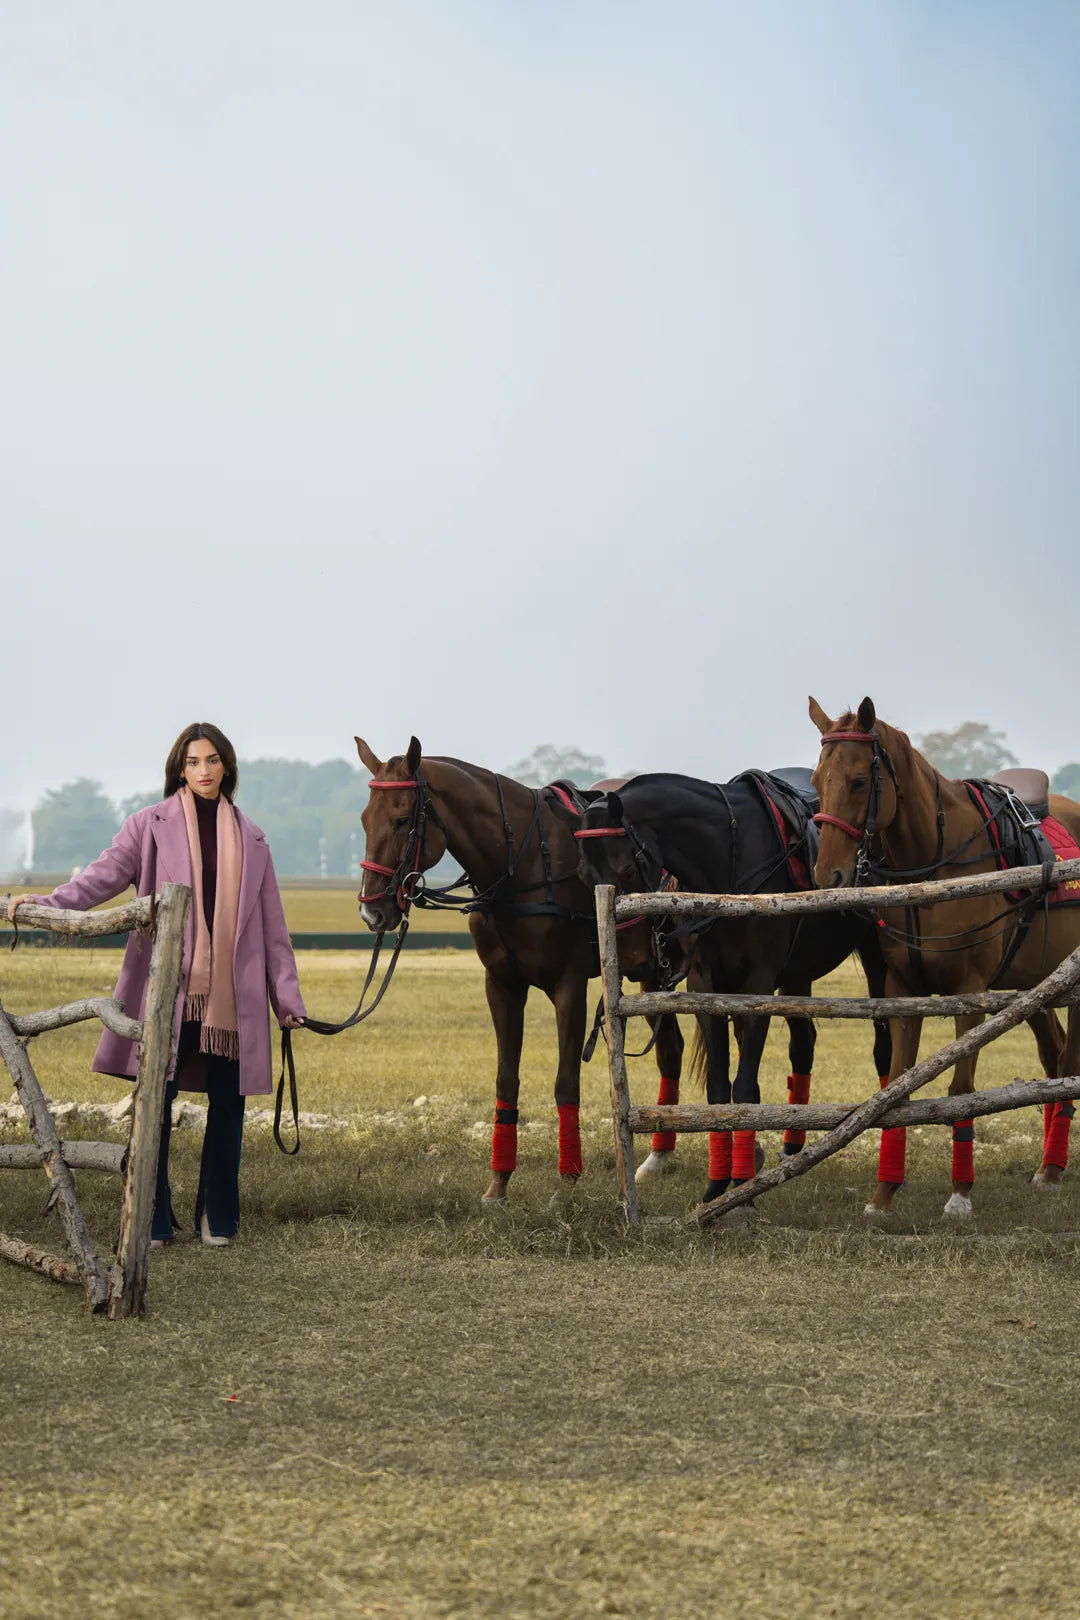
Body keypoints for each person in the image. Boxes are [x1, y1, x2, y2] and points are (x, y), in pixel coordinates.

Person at [8, 723, 305, 1246]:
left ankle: (219, 1217)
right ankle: (153, 1217)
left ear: (227, 766)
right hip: (168, 988)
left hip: (233, 1000)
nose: (205, 771)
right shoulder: (149, 825)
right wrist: (42, 904)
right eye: (193, 762)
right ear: (179, 770)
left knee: (228, 1103)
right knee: (157, 1100)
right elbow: (99, 878)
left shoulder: (254, 839)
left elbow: (273, 929)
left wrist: (288, 998)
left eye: (213, 761)